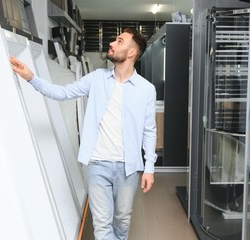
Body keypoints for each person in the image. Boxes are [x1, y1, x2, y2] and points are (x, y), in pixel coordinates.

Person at [10, 27, 157, 240]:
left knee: (123, 220)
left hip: (129, 167)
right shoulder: (96, 78)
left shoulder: (146, 89)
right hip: (98, 164)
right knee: (101, 226)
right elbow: (62, 93)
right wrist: (31, 77)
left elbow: (149, 131)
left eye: (119, 41)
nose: (112, 44)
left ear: (132, 52)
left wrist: (150, 168)